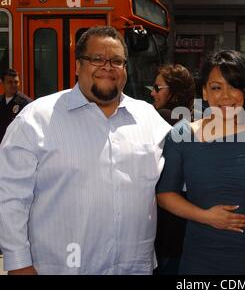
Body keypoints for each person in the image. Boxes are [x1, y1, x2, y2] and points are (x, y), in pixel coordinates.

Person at [0, 26, 171, 274]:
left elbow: (182, 172)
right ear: (78, 65)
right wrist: (18, 264)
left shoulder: (148, 118)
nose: (107, 67)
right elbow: (9, 196)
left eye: (116, 61)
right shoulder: (36, 119)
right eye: (97, 59)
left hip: (133, 267)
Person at [156, 50, 245, 274]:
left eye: (233, 86)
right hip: (200, 262)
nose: (226, 96)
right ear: (204, 91)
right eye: (216, 87)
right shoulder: (183, 134)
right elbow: (165, 194)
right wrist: (206, 217)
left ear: (244, 89)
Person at [149, 64, 196, 275]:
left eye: (158, 88)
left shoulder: (164, 116)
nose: (152, 92)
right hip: (184, 218)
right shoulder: (191, 119)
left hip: (164, 219)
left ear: (174, 91)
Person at [0, 69, 32, 143]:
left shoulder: (26, 103)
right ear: (3, 83)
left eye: (16, 82)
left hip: (15, 146)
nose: (14, 85)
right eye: (10, 82)